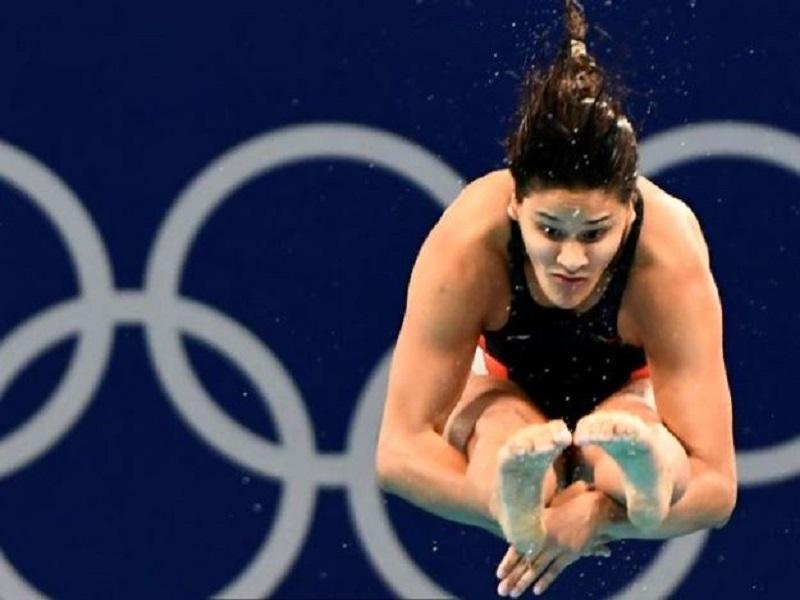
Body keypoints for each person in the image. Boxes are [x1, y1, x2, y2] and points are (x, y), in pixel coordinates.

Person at [375, 0, 737, 596]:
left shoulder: (666, 257)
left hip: (630, 394)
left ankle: (641, 482)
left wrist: (599, 513)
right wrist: (526, 520)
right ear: (516, 207)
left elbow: (717, 484)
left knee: (626, 433)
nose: (571, 258)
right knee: (501, 431)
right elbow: (397, 452)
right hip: (502, 386)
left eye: (595, 234)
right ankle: (515, 490)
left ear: (628, 214)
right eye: (549, 231)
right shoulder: (470, 244)